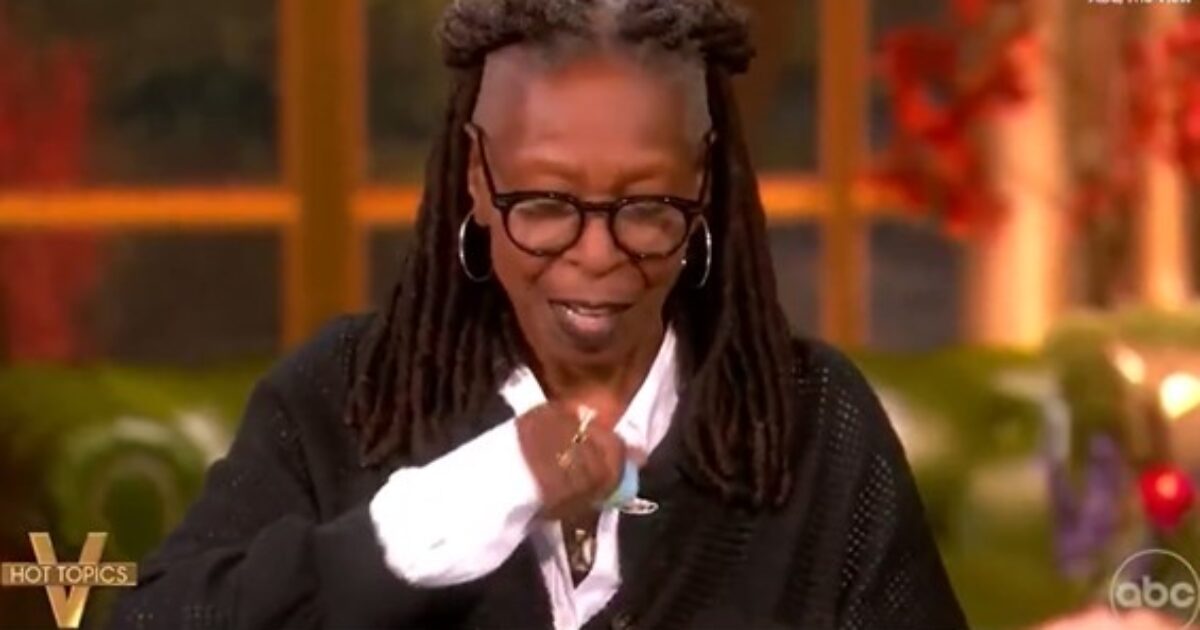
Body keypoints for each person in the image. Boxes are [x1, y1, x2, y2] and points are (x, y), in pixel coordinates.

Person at [110, 0, 967, 628]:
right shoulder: (348, 398)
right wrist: (440, 518)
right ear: (478, 180)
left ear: (702, 182)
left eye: (645, 206)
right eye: (547, 203)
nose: (597, 256)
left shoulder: (810, 421)